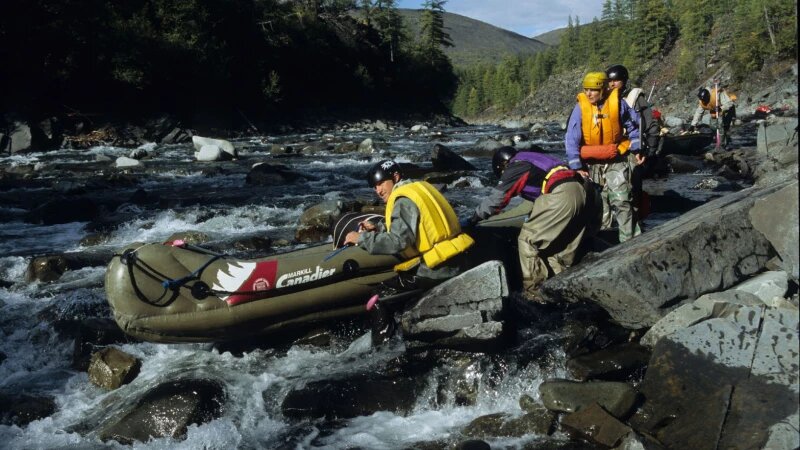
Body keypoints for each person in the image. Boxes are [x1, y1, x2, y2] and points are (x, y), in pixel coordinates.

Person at [344, 160, 474, 342]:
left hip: (434, 268)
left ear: (395, 177)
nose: (378, 191)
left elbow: (399, 241)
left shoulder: (403, 199)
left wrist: (361, 239)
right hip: (456, 258)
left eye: (381, 184)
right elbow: (420, 226)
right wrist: (378, 229)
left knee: (378, 297)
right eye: (375, 187)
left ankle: (383, 352)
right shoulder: (420, 188)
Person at [462, 146, 601, 298]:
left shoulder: (516, 166)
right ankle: (566, 295)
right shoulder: (537, 159)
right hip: (588, 193)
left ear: (503, 165)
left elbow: (497, 199)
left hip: (565, 194)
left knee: (528, 240)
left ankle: (535, 295)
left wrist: (473, 219)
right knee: (558, 249)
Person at [565, 71, 642, 243]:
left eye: (593, 90)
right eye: (586, 90)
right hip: (591, 164)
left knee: (622, 200)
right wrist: (577, 167)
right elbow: (571, 139)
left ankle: (631, 240)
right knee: (600, 206)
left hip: (616, 159)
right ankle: (603, 241)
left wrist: (637, 149)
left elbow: (633, 127)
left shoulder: (618, 104)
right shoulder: (580, 109)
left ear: (603, 89)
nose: (588, 94)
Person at [606, 64, 659, 229]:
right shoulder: (607, 99)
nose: (612, 84)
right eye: (610, 81)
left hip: (632, 150)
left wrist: (650, 149)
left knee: (632, 190)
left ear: (624, 81)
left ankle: (636, 224)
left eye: (616, 81)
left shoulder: (636, 98)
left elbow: (650, 125)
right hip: (612, 150)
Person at [690, 85, 736, 149]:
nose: (704, 102)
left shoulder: (718, 94)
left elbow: (729, 103)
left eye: (705, 100)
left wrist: (721, 108)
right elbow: (698, 112)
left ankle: (722, 145)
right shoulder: (703, 101)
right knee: (713, 126)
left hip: (727, 110)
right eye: (703, 101)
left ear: (708, 96)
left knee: (722, 126)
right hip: (715, 111)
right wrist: (693, 125)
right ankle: (719, 140)